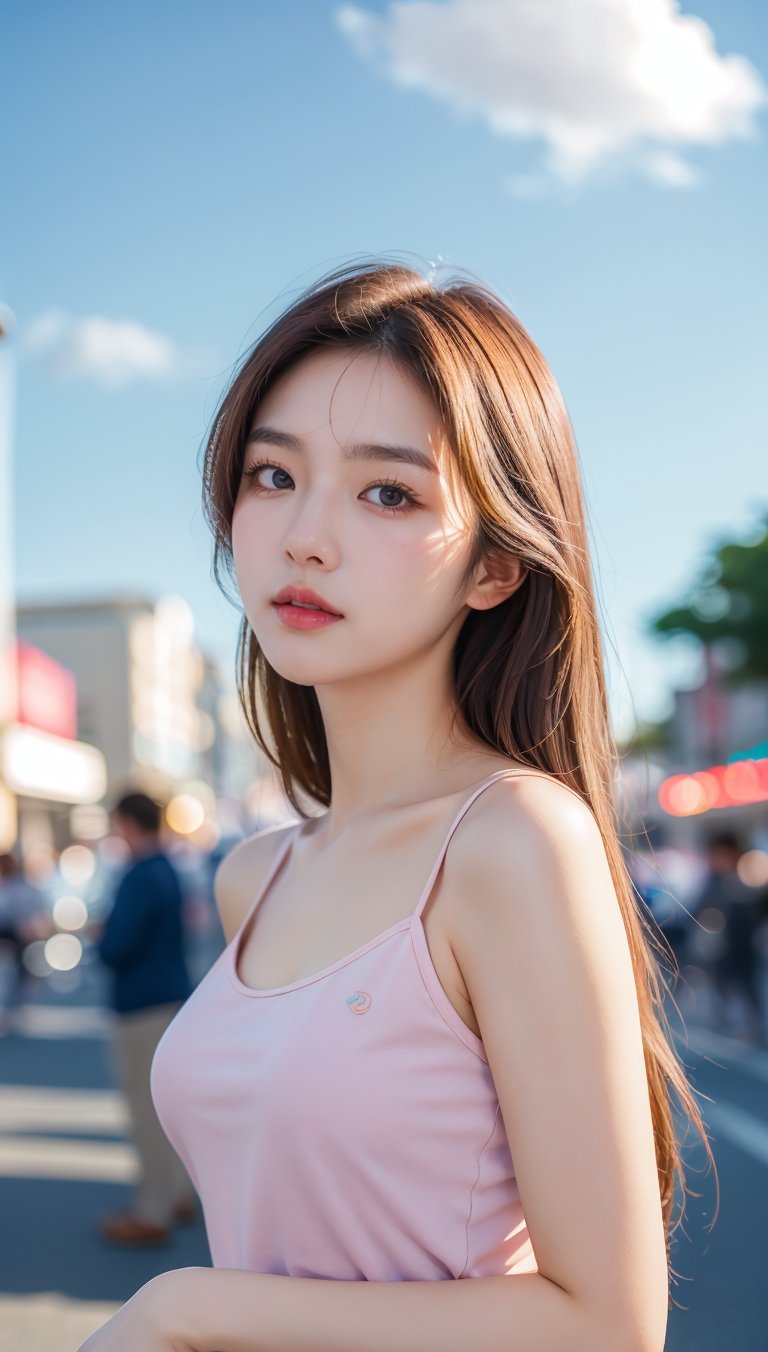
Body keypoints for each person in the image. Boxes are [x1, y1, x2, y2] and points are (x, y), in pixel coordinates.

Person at [79, 260, 713, 1351]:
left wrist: (193, 1305)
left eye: (388, 492)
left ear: (495, 567)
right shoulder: (256, 872)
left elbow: (609, 1322)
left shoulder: (515, 838)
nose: (304, 534)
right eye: (272, 475)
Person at [94, 790, 197, 1244]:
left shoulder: (139, 874)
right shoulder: (168, 868)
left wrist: (101, 935)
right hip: (170, 998)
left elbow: (117, 946)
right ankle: (176, 1192)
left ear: (127, 824)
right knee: (166, 1108)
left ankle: (153, 1211)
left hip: (141, 1005)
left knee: (145, 1111)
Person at [693, 829, 766, 1043]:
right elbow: (699, 908)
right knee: (722, 981)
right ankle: (729, 1020)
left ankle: (752, 1024)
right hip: (722, 944)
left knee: (746, 983)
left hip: (744, 943)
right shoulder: (713, 880)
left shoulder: (750, 872)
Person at [0, 852, 50, 1034]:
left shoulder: (24, 888)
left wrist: (32, 927)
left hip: (19, 939)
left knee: (23, 974)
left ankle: (16, 1007)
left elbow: (37, 912)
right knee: (4, 975)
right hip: (5, 939)